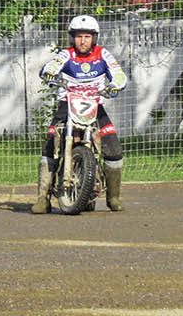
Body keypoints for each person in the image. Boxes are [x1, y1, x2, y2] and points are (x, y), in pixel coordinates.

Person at [35, 15, 129, 213]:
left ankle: (113, 198)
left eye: (87, 36)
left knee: (114, 149)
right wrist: (50, 73)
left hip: (95, 107)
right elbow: (50, 67)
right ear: (72, 37)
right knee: (50, 146)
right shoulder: (66, 55)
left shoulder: (103, 54)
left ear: (94, 38)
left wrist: (114, 86)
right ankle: (42, 198)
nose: (83, 41)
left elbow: (119, 75)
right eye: (78, 36)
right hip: (67, 105)